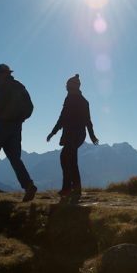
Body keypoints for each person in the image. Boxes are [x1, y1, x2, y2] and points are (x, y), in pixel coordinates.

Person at [0, 63, 38, 201]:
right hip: (16, 128)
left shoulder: (0, 86)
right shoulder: (20, 86)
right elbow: (30, 107)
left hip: (0, 126)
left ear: (2, 74)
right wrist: (20, 119)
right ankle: (29, 185)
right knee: (15, 159)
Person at [47, 74, 99, 204]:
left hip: (74, 134)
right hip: (76, 134)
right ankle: (75, 189)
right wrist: (91, 135)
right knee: (71, 160)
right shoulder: (79, 100)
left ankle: (68, 188)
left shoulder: (74, 100)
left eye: (67, 86)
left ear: (72, 87)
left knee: (65, 158)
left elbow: (63, 118)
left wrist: (53, 132)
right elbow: (85, 120)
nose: (66, 88)